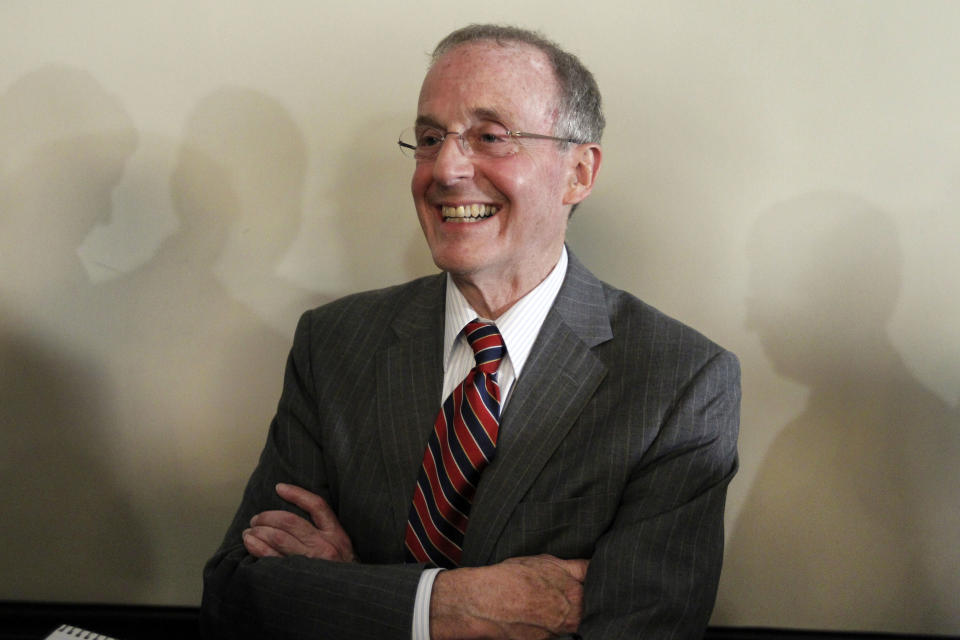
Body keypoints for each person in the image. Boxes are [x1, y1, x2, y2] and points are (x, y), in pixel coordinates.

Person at [202, 24, 740, 639]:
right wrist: (444, 605)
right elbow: (235, 599)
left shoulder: (679, 380)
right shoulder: (334, 344)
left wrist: (349, 591)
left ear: (579, 173)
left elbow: (641, 634)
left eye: (490, 136)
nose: (447, 168)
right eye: (431, 138)